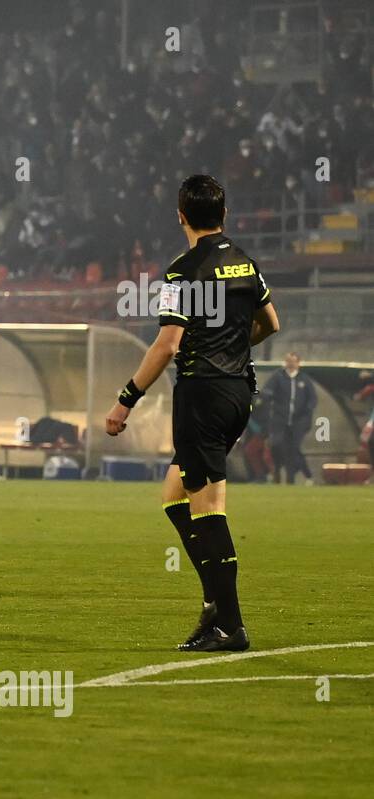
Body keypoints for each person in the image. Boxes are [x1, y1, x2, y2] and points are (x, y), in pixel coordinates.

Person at [105, 174, 280, 653]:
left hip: (202, 395)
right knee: (173, 494)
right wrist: (230, 349)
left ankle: (230, 625)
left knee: (209, 508)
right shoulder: (247, 263)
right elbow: (271, 323)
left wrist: (125, 399)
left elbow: (167, 345)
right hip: (239, 392)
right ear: (223, 214)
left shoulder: (182, 272)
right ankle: (214, 606)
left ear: (180, 215)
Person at [262, 351, 317, 485]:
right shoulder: (278, 376)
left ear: (298, 363)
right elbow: (266, 391)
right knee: (277, 444)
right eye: (288, 361)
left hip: (299, 421)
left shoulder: (304, 379)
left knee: (293, 448)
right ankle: (277, 470)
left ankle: (296, 477)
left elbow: (313, 399)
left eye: (293, 361)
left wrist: (307, 410)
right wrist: (267, 396)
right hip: (280, 419)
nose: (290, 364)